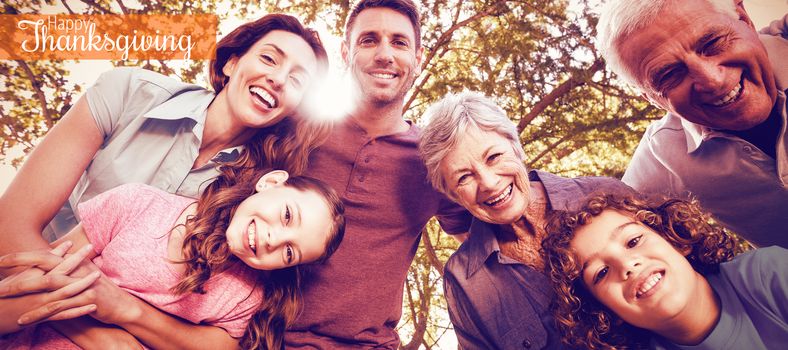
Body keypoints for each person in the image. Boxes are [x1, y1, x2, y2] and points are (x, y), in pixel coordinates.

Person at [0, 13, 330, 348]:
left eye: (297, 81)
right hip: (28, 286)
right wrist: (99, 334)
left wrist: (123, 317)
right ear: (231, 62)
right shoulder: (128, 92)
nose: (278, 79)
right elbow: (10, 227)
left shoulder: (249, 203)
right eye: (269, 58)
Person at [283, 1, 472, 348]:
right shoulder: (297, 130)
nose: (385, 54)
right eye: (369, 40)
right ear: (346, 52)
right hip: (263, 338)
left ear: (418, 58)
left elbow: (485, 247)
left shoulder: (434, 159)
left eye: (399, 42)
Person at [0, 169, 345, 350]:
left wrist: (123, 310)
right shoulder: (137, 204)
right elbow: (29, 289)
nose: (273, 239)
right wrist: (104, 336)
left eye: (289, 252)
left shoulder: (245, 297)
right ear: (271, 183)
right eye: (287, 215)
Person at [418, 91, 631, 349]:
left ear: (516, 148)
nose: (489, 183)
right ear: (453, 195)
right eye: (464, 177)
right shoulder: (464, 281)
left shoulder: (606, 196)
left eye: (494, 157)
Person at [595, 0, 788, 248]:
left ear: (743, 18)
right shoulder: (663, 158)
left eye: (713, 43)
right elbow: (603, 234)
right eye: (669, 74)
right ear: (651, 98)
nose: (713, 81)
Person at [542, 193, 788, 349]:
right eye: (601, 272)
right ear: (604, 312)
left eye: (633, 241)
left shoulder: (770, 274)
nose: (627, 266)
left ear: (676, 239)